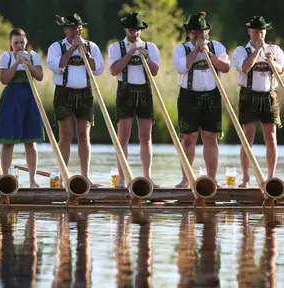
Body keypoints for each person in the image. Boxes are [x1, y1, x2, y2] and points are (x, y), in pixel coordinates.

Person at [172, 12, 230, 188]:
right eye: (195, 32)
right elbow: (182, 67)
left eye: (202, 32)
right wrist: (197, 50)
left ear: (208, 32)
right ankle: (186, 179)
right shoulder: (181, 49)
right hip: (189, 96)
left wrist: (208, 53)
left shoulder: (216, 46)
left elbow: (226, 67)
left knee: (211, 137)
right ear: (188, 33)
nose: (199, 35)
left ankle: (211, 179)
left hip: (212, 95)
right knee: (188, 138)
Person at [46, 13, 104, 186]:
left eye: (78, 27)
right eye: (72, 27)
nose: (76, 30)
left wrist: (84, 50)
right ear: (65, 29)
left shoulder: (91, 46)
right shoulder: (56, 47)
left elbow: (98, 69)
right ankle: (64, 176)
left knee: (84, 136)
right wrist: (72, 49)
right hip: (64, 93)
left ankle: (85, 176)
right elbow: (58, 66)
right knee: (65, 136)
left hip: (85, 94)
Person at [108, 12, 160, 188]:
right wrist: (130, 53)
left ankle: (148, 177)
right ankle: (122, 179)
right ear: (125, 29)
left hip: (144, 91)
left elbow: (154, 71)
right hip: (125, 91)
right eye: (132, 30)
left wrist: (145, 57)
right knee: (123, 137)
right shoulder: (116, 47)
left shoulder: (150, 47)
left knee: (146, 137)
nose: (135, 33)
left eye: (137, 30)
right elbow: (114, 70)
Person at [233, 16, 284, 188]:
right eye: (255, 31)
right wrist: (257, 52)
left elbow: (281, 70)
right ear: (249, 32)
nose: (259, 35)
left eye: (261, 31)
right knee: (248, 138)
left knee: (271, 137)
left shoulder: (275, 50)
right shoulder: (241, 50)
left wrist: (271, 61)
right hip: (249, 95)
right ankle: (246, 179)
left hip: (269, 95)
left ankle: (270, 178)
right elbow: (245, 67)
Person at [0, 28, 44, 187]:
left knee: (31, 141)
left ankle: (32, 180)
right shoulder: (5, 57)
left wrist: (28, 64)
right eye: (16, 43)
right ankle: (5, 178)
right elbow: (4, 79)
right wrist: (16, 63)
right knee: (9, 140)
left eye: (21, 42)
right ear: (11, 43)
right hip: (12, 99)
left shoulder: (33, 56)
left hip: (30, 97)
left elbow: (40, 76)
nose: (19, 45)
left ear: (26, 42)